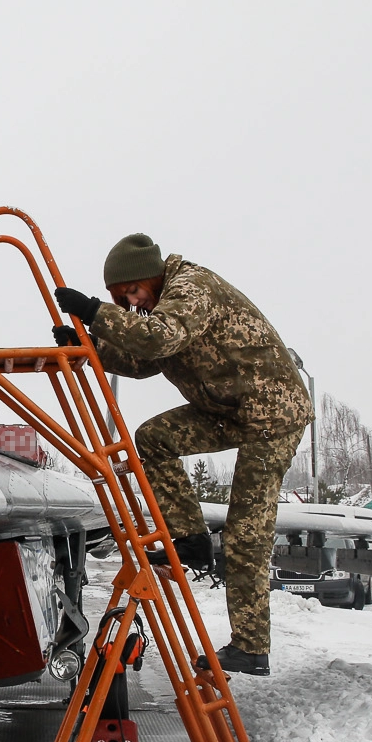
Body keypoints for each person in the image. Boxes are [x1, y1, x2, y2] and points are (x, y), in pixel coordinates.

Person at [53, 234, 310, 676]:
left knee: (246, 527)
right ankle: (190, 540)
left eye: (130, 293)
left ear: (149, 276)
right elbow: (143, 361)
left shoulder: (191, 288)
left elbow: (156, 340)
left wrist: (96, 311)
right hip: (228, 409)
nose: (129, 303)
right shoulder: (159, 307)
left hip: (272, 413)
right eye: (120, 299)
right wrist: (90, 346)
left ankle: (251, 647)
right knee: (154, 438)